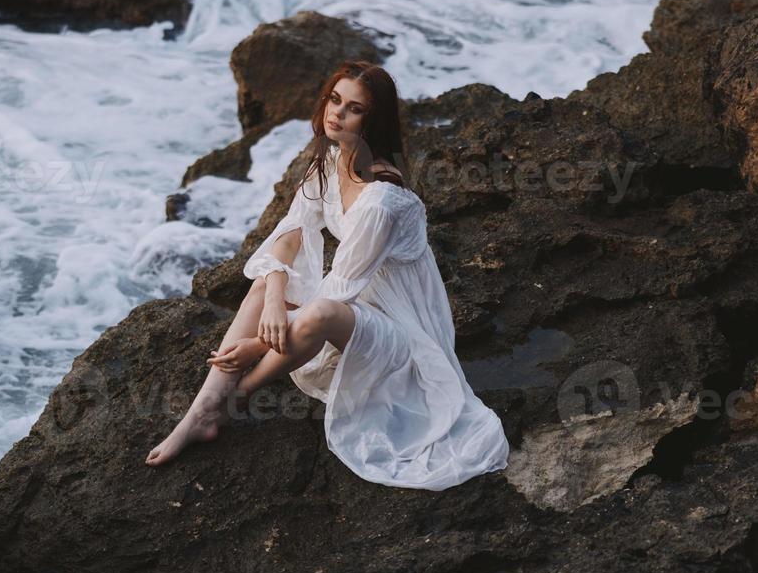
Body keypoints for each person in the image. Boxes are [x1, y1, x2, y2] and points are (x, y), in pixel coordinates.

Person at [145, 60, 510, 490]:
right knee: (266, 283)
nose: (337, 113)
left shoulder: (383, 200)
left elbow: (339, 291)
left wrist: (259, 344)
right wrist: (276, 297)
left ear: (371, 120)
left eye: (353, 108)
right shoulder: (331, 158)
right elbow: (291, 231)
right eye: (334, 100)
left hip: (402, 338)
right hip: (357, 311)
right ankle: (201, 413)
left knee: (318, 312)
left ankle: (237, 398)